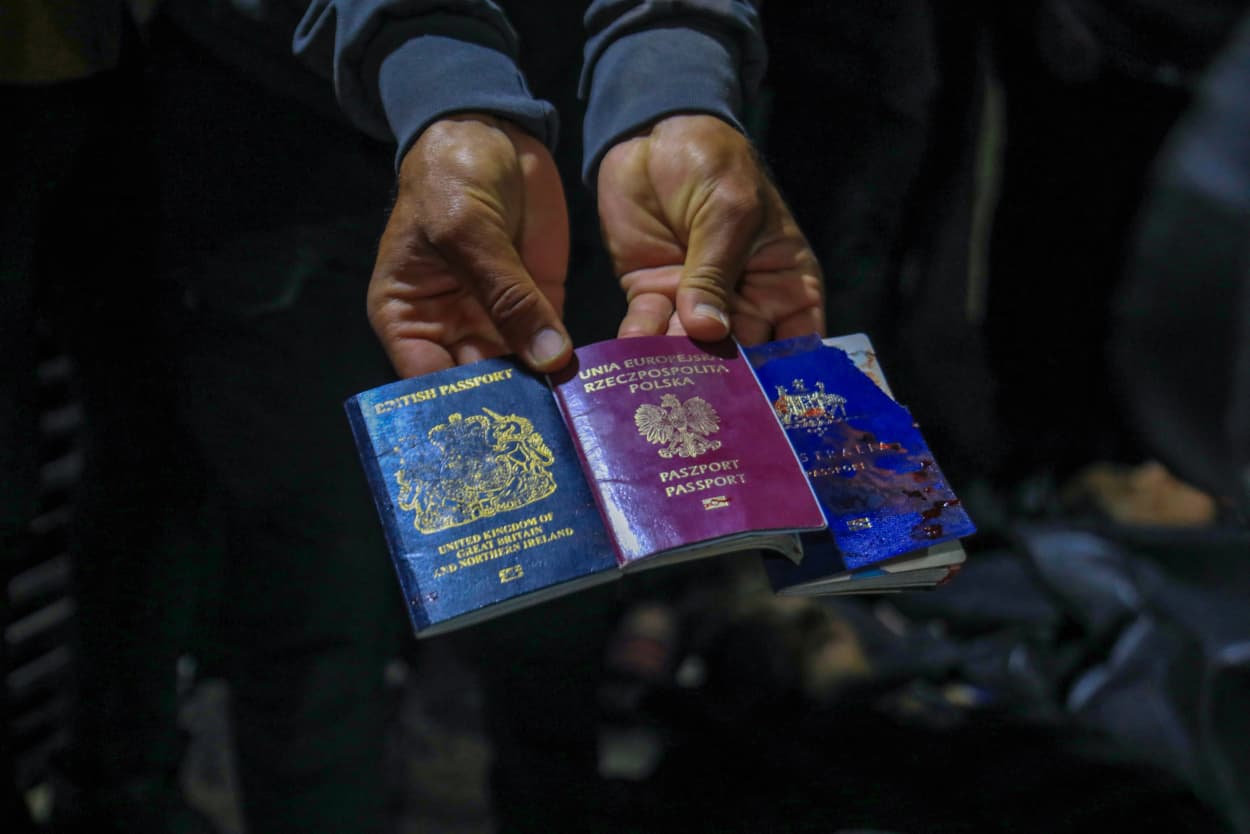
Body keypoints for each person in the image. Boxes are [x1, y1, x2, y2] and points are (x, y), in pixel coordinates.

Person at [42, 2, 824, 832]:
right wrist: (455, 85)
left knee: (548, 596)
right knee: (318, 611)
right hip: (305, 142)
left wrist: (670, 84)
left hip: (578, 163)